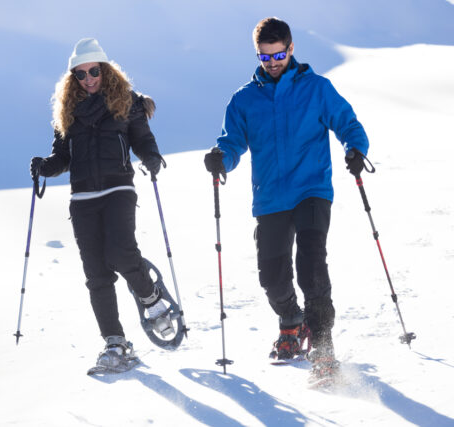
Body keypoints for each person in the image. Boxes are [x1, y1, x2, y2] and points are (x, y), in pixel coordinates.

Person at [204, 17, 369, 379]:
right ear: (257, 55)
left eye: (278, 55)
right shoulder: (245, 99)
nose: (273, 62)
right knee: (272, 276)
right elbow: (233, 141)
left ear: (291, 49)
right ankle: (291, 322)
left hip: (312, 190)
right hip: (271, 197)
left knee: (312, 267)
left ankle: (323, 347)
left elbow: (347, 123)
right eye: (265, 57)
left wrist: (355, 149)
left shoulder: (316, 88)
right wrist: (221, 158)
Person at [31, 38, 172, 370]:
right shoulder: (67, 112)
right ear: (73, 79)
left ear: (105, 70)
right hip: (82, 197)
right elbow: (62, 157)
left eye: (94, 71)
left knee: (122, 253)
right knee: (96, 272)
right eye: (80, 74)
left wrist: (151, 158)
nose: (88, 78)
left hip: (118, 189)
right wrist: (44, 167)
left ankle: (150, 296)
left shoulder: (128, 102)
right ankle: (116, 343)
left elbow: (143, 140)